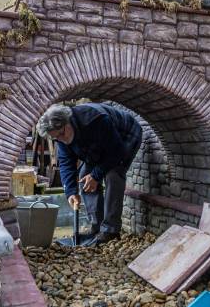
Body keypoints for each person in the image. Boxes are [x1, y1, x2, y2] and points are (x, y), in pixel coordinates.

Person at [37, 103, 142, 246]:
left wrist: (96, 176)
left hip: (125, 135)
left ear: (67, 122)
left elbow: (117, 152)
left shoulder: (94, 120)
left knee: (113, 173)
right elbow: (66, 163)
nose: (61, 140)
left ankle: (110, 231)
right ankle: (97, 227)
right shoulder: (60, 137)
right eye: (56, 138)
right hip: (98, 144)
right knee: (84, 176)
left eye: (61, 134)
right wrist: (71, 192)